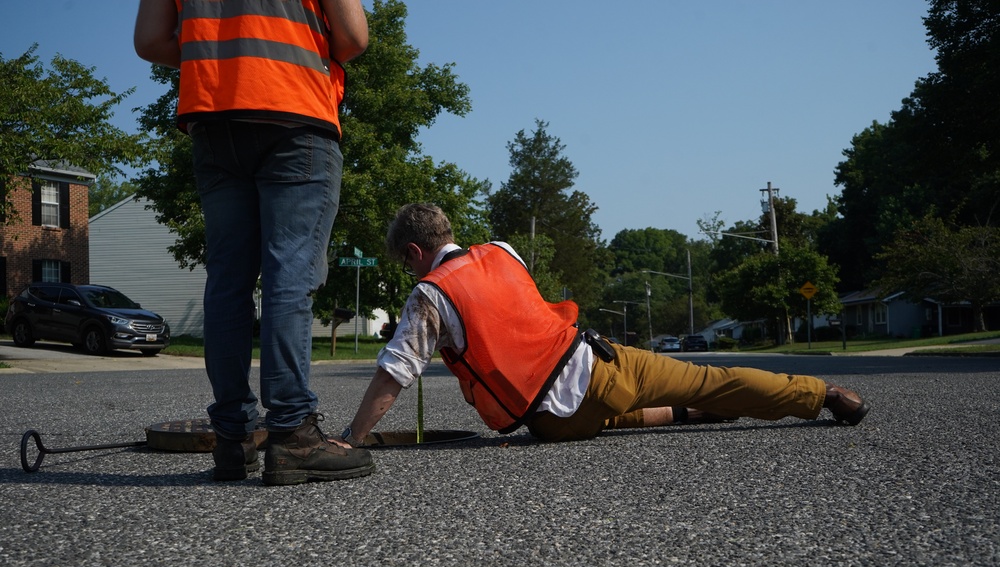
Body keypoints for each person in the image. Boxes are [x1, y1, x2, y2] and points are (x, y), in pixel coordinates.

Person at [332, 203, 869, 449]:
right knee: (712, 377)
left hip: (552, 422)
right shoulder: (502, 250)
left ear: (413, 251)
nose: (410, 272)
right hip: (600, 365)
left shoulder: (429, 292)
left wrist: (353, 438)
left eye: (407, 263)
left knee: (616, 419)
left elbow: (395, 372)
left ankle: (694, 413)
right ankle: (823, 395)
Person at [134, 0, 374, 485]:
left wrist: (221, 57)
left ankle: (232, 438)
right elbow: (352, 37)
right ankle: (292, 436)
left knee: (228, 280)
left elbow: (150, 41)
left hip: (214, 115)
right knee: (290, 274)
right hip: (295, 112)